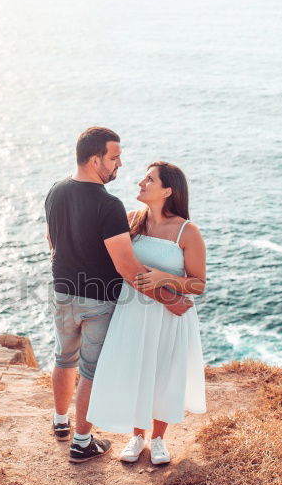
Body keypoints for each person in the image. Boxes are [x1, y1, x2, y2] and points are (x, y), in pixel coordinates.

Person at [44, 129, 194, 463]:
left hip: (62, 292)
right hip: (98, 299)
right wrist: (171, 299)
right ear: (95, 159)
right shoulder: (109, 205)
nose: (120, 165)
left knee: (63, 357)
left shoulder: (56, 190)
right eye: (114, 158)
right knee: (90, 370)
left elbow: (51, 241)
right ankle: (82, 441)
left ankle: (59, 421)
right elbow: (128, 268)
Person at [86, 161, 207, 465]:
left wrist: (161, 278)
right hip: (132, 312)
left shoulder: (187, 231)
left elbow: (198, 283)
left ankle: (158, 439)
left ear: (168, 190)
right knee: (137, 371)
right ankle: (137, 435)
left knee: (164, 374)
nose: (140, 182)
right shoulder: (130, 220)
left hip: (170, 317)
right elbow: (116, 263)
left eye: (149, 179)